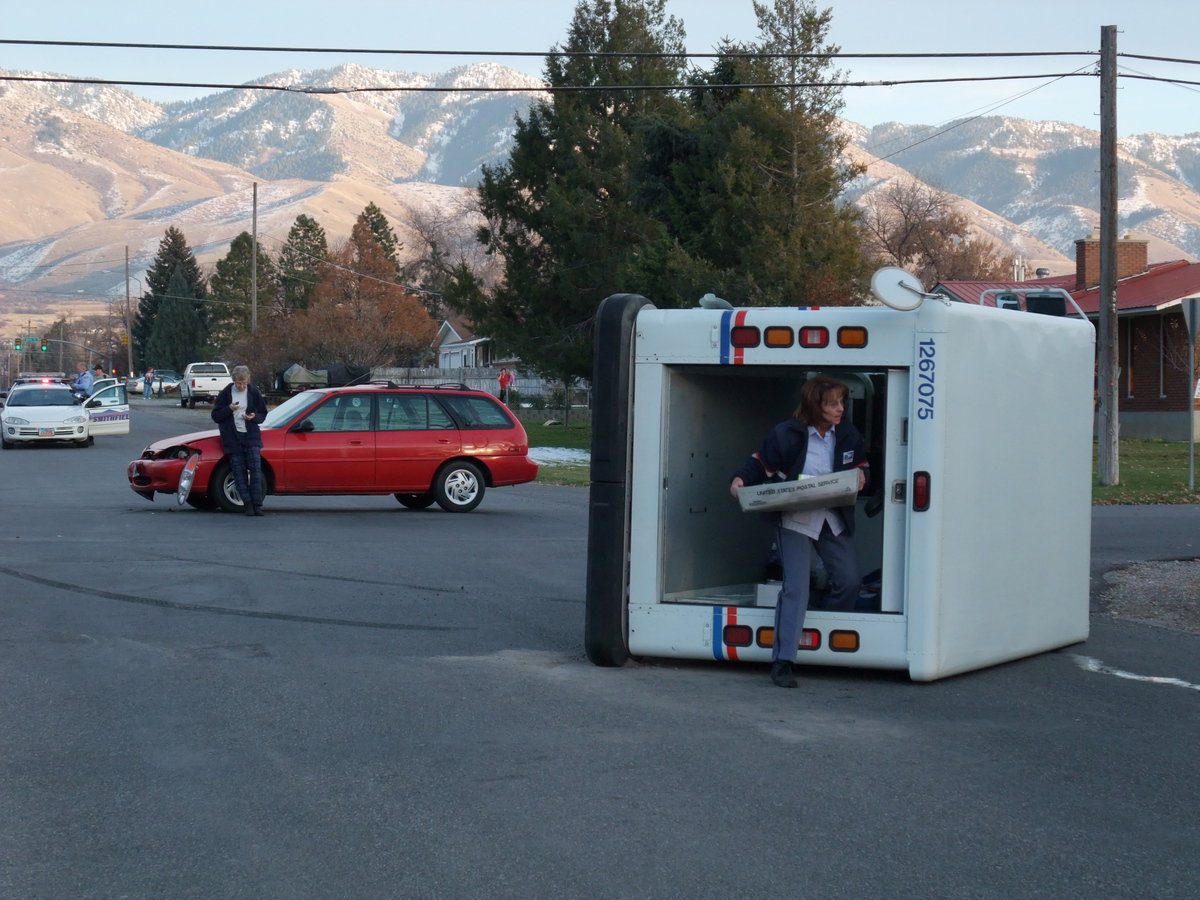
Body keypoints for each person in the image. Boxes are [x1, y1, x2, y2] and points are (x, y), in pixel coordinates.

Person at [730, 376, 869, 688]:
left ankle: (827, 640)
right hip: (795, 518)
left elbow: (862, 465)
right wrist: (739, 480)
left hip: (833, 517)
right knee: (796, 588)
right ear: (814, 406)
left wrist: (862, 476)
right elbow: (759, 464)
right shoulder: (787, 433)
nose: (839, 409)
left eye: (841, 402)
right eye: (832, 403)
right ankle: (783, 661)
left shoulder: (847, 433)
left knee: (850, 580)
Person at [211, 365, 270, 517]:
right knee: (238, 471)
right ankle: (247, 504)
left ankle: (257, 504)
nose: (241, 386)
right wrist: (229, 409)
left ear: (248, 381)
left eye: (244, 383)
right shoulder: (226, 393)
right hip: (232, 437)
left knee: (256, 469)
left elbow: (263, 413)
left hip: (251, 435)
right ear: (234, 381)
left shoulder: (253, 391)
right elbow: (216, 416)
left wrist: (254, 418)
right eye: (238, 383)